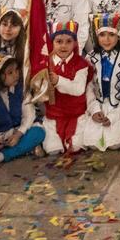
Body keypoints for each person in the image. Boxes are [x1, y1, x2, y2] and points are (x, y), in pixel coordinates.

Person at [0, 53, 46, 167]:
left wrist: (18, 134)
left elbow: (29, 115)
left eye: (17, 70)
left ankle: (1, 157)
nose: (16, 75)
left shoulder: (21, 88)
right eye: (10, 73)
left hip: (21, 129)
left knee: (38, 132)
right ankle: (27, 148)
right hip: (3, 132)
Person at [80, 12, 120, 152]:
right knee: (91, 142)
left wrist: (117, 114)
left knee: (115, 144)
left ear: (118, 35)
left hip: (118, 106)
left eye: (111, 35)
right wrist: (94, 109)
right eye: (102, 35)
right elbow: (88, 87)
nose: (106, 40)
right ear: (96, 36)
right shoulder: (91, 57)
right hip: (99, 104)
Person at [41, 20, 91, 154]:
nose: (64, 46)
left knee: (75, 146)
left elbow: (78, 89)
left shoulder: (81, 64)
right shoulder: (45, 63)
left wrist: (58, 81)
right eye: (59, 41)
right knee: (53, 149)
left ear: (75, 43)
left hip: (76, 114)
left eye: (69, 41)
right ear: (52, 42)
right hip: (54, 115)